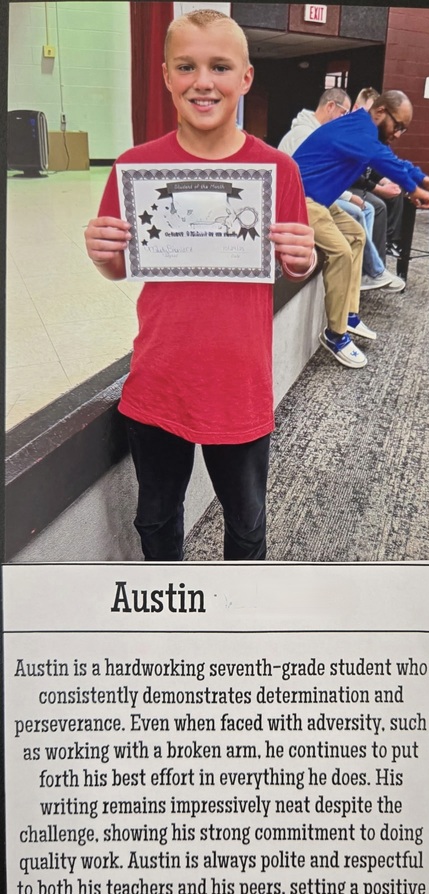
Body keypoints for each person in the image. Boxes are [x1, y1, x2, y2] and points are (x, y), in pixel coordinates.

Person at [84, 8, 315, 562]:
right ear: (166, 75)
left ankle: (234, 623)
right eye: (186, 66)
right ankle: (173, 620)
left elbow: (291, 267)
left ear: (245, 78)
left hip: (239, 387)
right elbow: (121, 267)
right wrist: (103, 255)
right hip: (159, 382)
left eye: (219, 66)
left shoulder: (278, 169)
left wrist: (303, 259)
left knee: (247, 523)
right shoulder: (135, 168)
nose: (203, 82)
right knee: (157, 519)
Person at [294, 89, 429, 367]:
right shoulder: (359, 131)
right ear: (380, 112)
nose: (398, 134)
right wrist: (414, 188)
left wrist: (423, 179)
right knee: (340, 252)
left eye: (403, 130)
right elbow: (385, 161)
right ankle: (335, 335)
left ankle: (348, 314)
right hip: (299, 199)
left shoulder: (364, 129)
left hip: (320, 200)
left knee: (357, 235)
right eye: (397, 126)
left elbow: (392, 160)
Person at [279, 88, 404, 299]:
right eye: (344, 113)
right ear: (330, 107)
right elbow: (313, 180)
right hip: (303, 200)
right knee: (360, 212)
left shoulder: (328, 132)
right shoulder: (308, 134)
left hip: (318, 196)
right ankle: (371, 271)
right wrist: (352, 195)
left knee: (370, 209)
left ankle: (370, 272)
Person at [349, 87, 404, 263]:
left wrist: (385, 180)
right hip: (345, 184)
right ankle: (374, 264)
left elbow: (373, 165)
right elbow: (351, 173)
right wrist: (379, 188)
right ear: (357, 108)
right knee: (378, 206)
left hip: (363, 181)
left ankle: (390, 242)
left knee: (397, 192)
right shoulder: (348, 131)